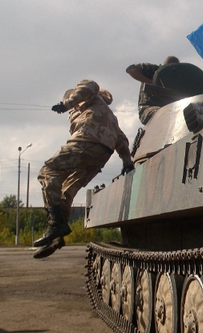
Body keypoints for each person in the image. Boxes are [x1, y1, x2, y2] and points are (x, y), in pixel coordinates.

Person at [33, 80, 134, 259]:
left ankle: (56, 224)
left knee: (48, 171)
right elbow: (121, 139)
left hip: (86, 142)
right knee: (67, 191)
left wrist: (66, 104)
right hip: (101, 154)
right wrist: (127, 162)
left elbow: (89, 85)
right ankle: (56, 238)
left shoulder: (89, 98)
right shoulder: (108, 114)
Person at [126, 56, 179, 124]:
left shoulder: (177, 80)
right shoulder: (154, 70)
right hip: (148, 108)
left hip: (171, 110)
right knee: (162, 113)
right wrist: (153, 83)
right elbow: (131, 69)